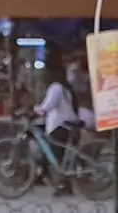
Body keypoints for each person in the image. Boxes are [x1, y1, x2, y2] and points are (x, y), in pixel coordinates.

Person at [35, 54, 83, 192]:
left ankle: (63, 184)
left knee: (57, 157)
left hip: (59, 126)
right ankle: (64, 184)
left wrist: (36, 110)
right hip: (67, 124)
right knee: (62, 157)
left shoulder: (55, 88)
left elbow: (47, 106)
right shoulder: (64, 88)